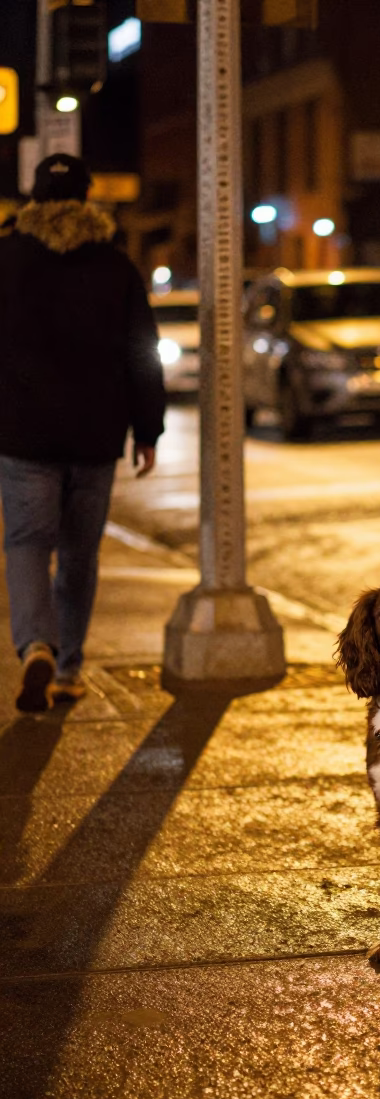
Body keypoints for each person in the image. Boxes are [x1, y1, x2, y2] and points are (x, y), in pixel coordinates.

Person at [0, 153, 166, 712]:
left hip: (23, 435)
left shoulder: (6, 258)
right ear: (88, 199)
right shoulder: (116, 268)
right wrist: (148, 429)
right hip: (95, 437)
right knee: (79, 555)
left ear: (34, 199)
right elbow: (143, 351)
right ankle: (69, 668)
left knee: (26, 544)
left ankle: (35, 646)